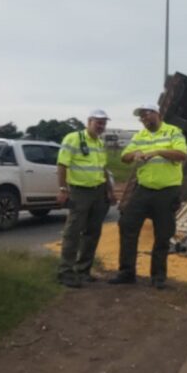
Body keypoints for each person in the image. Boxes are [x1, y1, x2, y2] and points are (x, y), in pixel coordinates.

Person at [109, 104, 187, 289]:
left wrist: (158, 151)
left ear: (156, 114)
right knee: (127, 224)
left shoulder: (173, 132)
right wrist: (134, 154)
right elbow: (124, 157)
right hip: (144, 189)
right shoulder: (140, 135)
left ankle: (158, 276)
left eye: (146, 114)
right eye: (141, 117)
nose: (143, 119)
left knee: (163, 233)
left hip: (167, 190)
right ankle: (127, 272)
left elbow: (181, 154)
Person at [56, 109, 116, 288]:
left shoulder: (99, 142)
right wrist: (62, 189)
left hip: (98, 192)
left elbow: (102, 168)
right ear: (89, 121)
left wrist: (110, 191)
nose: (101, 126)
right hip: (80, 192)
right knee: (73, 232)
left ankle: (83, 270)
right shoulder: (73, 138)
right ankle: (65, 272)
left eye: (104, 123)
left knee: (92, 233)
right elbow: (62, 164)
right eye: (98, 122)